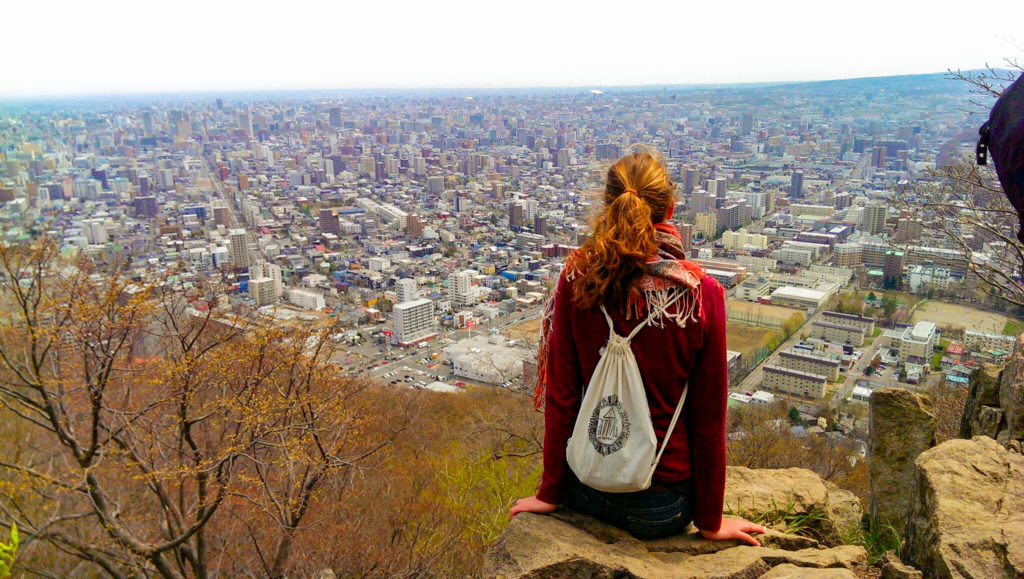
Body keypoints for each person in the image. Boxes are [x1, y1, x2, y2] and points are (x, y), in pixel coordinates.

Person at [509, 150, 765, 546]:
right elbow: (708, 417)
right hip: (661, 507)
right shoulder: (700, 295)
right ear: (671, 207)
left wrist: (549, 493)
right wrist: (711, 521)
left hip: (584, 488)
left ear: (609, 205)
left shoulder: (578, 277)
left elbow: (562, 396)